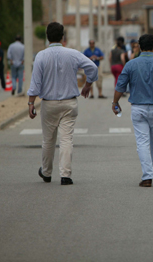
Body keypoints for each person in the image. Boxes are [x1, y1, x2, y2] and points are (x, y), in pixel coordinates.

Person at [27, 22, 98, 185]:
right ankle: (65, 175)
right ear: (62, 37)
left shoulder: (41, 56)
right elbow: (92, 68)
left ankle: (46, 172)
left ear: (47, 37)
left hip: (49, 103)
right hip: (69, 103)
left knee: (48, 139)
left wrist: (31, 103)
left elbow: (35, 83)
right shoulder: (73, 54)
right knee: (66, 139)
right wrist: (88, 84)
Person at [112, 34, 153, 187]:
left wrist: (115, 102)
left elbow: (120, 86)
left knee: (142, 143)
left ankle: (147, 176)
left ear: (139, 47)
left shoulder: (131, 64)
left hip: (138, 108)